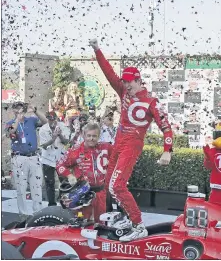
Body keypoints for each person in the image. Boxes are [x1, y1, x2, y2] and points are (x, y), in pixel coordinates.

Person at [89, 39, 173, 241]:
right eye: (124, 81)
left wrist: (167, 150)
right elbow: (108, 72)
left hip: (132, 144)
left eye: (129, 81)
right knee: (108, 183)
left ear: (138, 80)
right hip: (118, 143)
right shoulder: (123, 92)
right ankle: (126, 218)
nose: (126, 85)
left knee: (117, 186)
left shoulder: (151, 101)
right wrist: (97, 49)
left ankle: (138, 224)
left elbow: (166, 127)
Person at [56, 122, 113, 223]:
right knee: (82, 223)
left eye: (94, 136)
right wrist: (69, 176)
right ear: (83, 135)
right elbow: (59, 165)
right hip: (82, 194)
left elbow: (120, 155)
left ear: (99, 136)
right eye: (89, 135)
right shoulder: (75, 151)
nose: (91, 138)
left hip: (101, 193)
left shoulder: (105, 147)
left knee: (101, 224)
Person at [5, 102, 47, 219]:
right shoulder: (10, 124)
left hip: (33, 157)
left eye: (21, 109)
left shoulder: (31, 120)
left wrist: (36, 110)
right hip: (19, 158)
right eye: (16, 109)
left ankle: (37, 214)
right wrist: (18, 119)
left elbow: (45, 122)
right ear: (13, 111)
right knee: (21, 187)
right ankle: (23, 214)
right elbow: (11, 132)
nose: (19, 111)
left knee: (36, 186)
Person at [39, 111, 70, 206]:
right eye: (49, 119)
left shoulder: (63, 126)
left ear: (56, 118)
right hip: (47, 159)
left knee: (64, 181)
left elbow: (67, 142)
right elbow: (43, 146)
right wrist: (53, 139)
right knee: (49, 182)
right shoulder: (43, 129)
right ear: (47, 119)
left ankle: (64, 203)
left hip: (61, 159)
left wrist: (59, 135)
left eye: (53, 119)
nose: (51, 121)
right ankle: (51, 204)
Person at [203, 133, 221, 206]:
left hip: (215, 184)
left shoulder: (214, 151)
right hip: (216, 186)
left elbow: (208, 166)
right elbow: (208, 165)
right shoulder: (214, 150)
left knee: (213, 208)